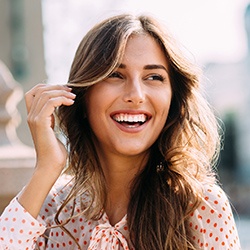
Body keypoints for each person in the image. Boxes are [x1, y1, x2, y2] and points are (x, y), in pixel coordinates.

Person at [0, 13, 241, 250]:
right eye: (115, 74)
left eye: (154, 77)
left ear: (173, 101)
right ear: (82, 96)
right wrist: (46, 168)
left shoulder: (202, 209)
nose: (136, 95)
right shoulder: (51, 208)